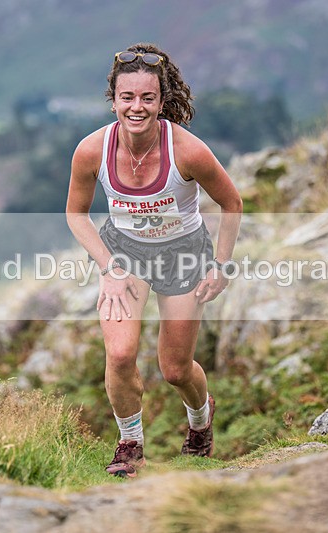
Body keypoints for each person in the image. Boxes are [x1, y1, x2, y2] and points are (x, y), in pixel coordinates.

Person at [65, 43, 242, 478]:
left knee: (176, 369)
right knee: (120, 353)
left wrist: (221, 265)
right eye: (127, 97)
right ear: (113, 100)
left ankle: (200, 420)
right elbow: (75, 214)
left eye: (148, 97)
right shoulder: (91, 151)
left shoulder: (188, 151)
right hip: (125, 253)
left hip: (183, 254)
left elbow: (232, 203)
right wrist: (109, 267)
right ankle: (131, 446)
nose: (137, 107)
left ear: (162, 102)